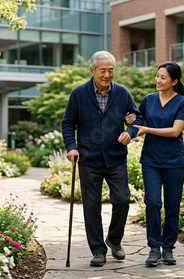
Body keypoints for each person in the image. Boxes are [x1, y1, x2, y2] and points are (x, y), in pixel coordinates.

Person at [61, 50, 143, 267]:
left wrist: (131, 130)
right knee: (91, 206)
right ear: (92, 70)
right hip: (88, 159)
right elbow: (68, 123)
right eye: (103, 70)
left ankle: (114, 240)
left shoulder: (123, 93)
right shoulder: (78, 93)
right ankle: (98, 250)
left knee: (122, 200)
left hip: (116, 158)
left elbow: (137, 117)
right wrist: (71, 147)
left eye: (111, 70)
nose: (107, 74)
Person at [127, 61, 184, 267]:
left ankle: (168, 248)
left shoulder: (182, 102)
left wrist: (148, 130)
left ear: (174, 81)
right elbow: (140, 123)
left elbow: (174, 131)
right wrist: (131, 121)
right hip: (151, 161)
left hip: (174, 162)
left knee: (172, 206)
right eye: (157, 76)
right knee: (152, 202)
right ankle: (154, 248)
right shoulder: (148, 100)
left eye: (163, 77)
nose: (158, 80)